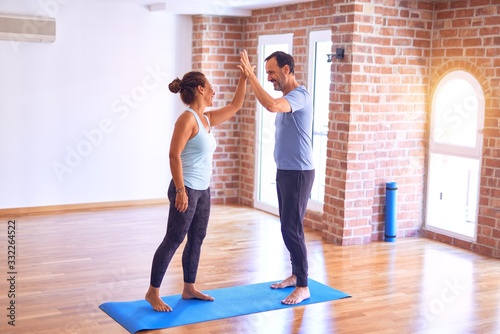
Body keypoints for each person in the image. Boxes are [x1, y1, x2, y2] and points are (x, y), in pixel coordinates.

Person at [145, 68, 247, 312]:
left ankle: (189, 288)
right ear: (200, 89)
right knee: (174, 239)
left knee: (197, 238)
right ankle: (152, 292)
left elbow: (235, 106)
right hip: (187, 188)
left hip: (203, 189)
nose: (214, 91)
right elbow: (173, 155)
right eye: (210, 87)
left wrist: (244, 78)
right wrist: (180, 190)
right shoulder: (188, 119)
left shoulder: (206, 118)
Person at [239, 49, 315, 305]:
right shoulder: (288, 97)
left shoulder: (300, 96)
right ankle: (295, 274)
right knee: (289, 226)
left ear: (286, 69)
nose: (269, 77)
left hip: (299, 173)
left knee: (291, 229)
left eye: (272, 72)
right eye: (266, 73)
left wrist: (251, 77)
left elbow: (271, 106)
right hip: (285, 171)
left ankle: (303, 286)